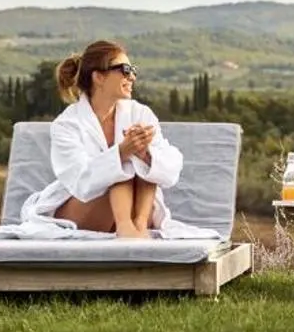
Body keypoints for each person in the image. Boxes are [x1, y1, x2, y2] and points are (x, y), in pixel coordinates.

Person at [19, 40, 183, 238]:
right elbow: (81, 182)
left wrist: (146, 155)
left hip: (138, 214)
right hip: (82, 211)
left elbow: (171, 169)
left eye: (133, 70)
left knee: (142, 159)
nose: (132, 76)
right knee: (121, 164)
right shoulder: (67, 124)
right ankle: (125, 227)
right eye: (125, 69)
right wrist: (121, 152)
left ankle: (138, 228)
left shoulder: (140, 114)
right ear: (99, 77)